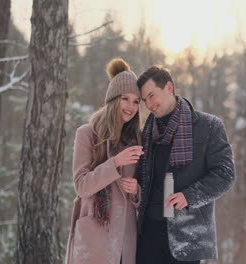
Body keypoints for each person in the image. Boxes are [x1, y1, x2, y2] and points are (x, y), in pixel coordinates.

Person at [135, 66, 235, 264]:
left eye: (152, 95)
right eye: (145, 100)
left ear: (169, 88)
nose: (149, 104)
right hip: (148, 234)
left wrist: (189, 196)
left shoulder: (209, 126)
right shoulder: (145, 133)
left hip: (187, 237)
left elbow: (225, 174)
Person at [65, 58, 144, 264]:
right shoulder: (87, 134)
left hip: (125, 240)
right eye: (125, 99)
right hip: (95, 238)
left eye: (136, 101)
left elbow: (146, 189)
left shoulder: (138, 140)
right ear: (113, 99)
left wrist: (137, 191)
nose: (131, 106)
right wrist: (115, 162)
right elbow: (82, 186)